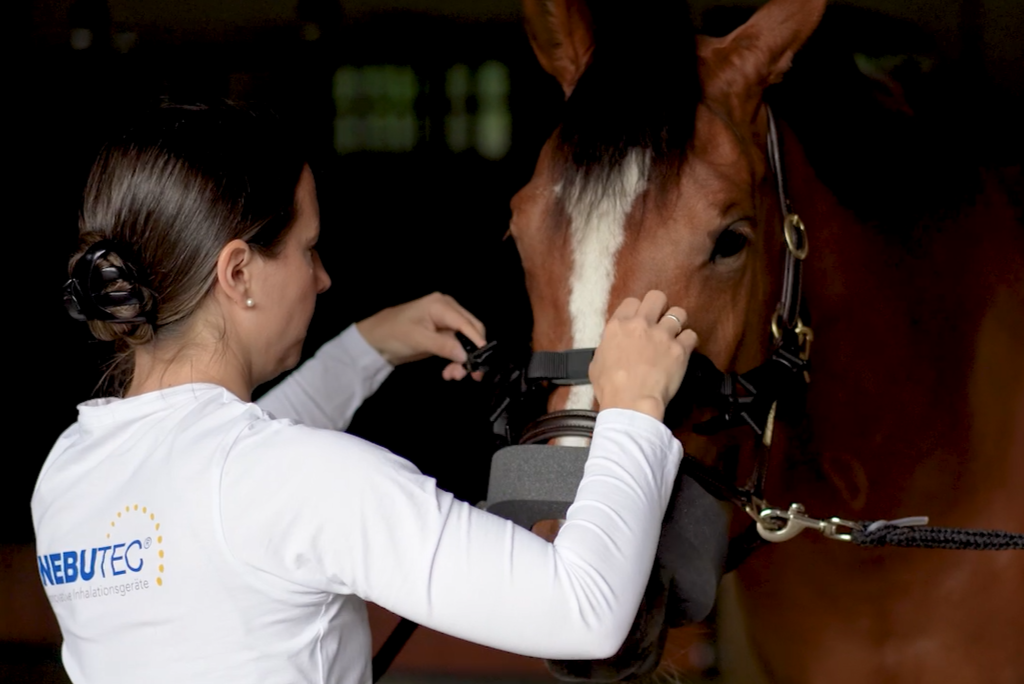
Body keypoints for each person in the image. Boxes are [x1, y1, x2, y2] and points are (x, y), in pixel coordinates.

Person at [33, 102, 699, 684]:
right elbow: (581, 609)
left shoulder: (69, 474)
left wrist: (366, 347)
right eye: (308, 249)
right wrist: (633, 407)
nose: (322, 279)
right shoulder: (298, 483)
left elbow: (220, 475)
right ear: (239, 273)